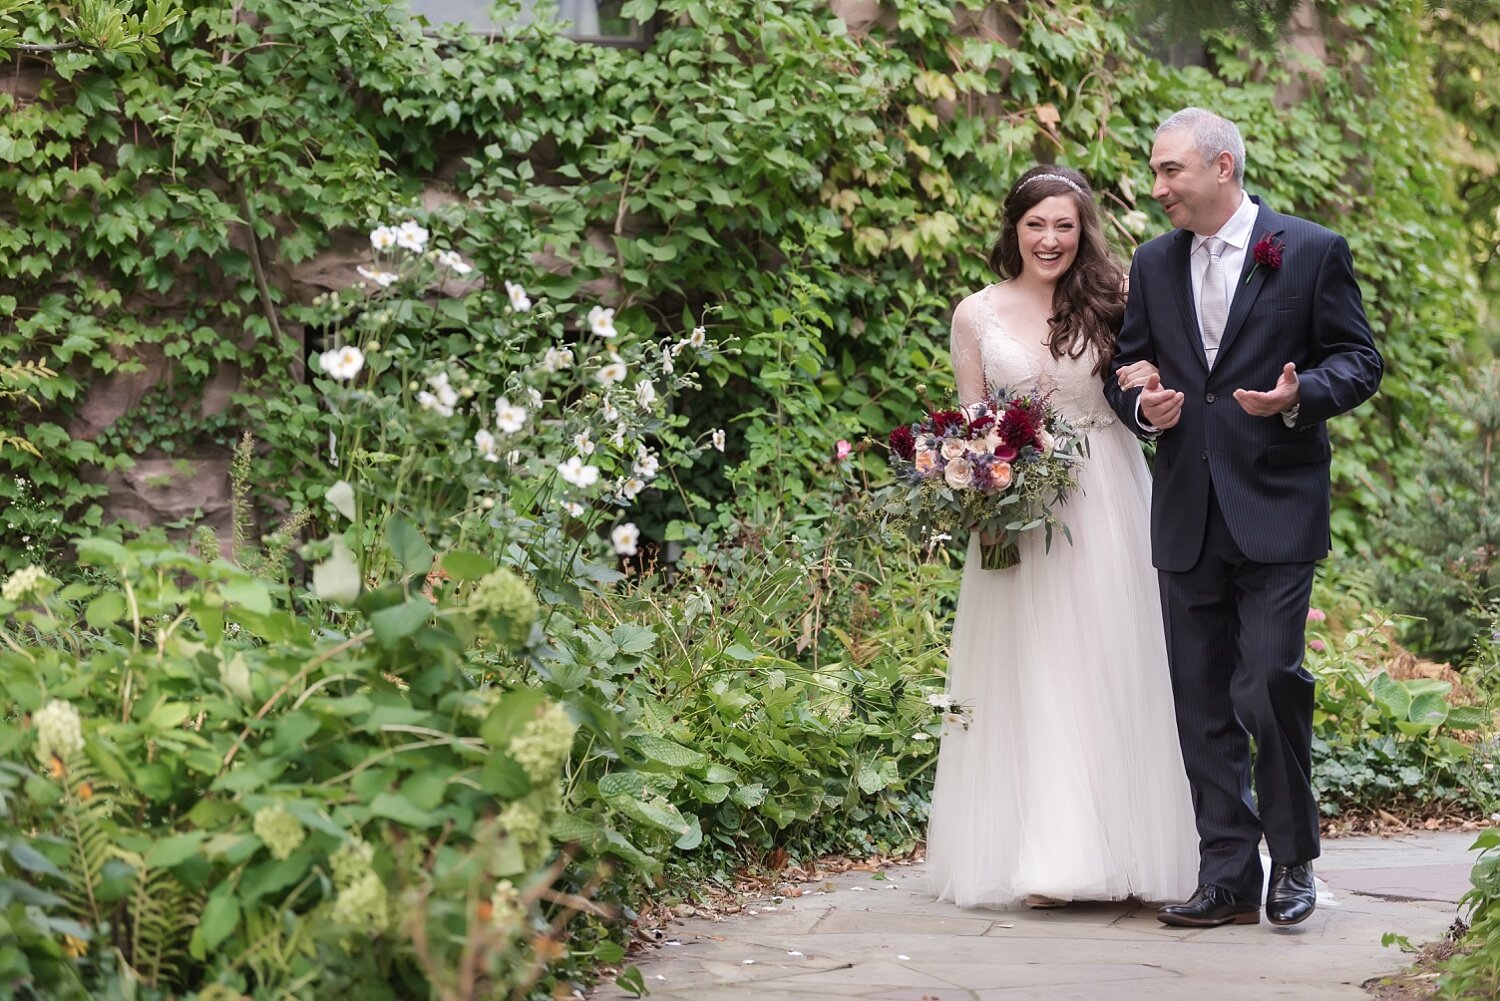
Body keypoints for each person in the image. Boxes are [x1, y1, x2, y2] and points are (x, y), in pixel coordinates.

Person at [1104, 108, 1383, 928]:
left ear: (1222, 167)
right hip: (1186, 509)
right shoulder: (1153, 263)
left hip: (1277, 505)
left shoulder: (1311, 250)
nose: (1157, 189)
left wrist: (1303, 396)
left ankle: (1292, 859)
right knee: (1200, 700)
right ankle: (1225, 873)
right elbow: (1131, 364)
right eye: (1155, 173)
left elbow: (1360, 360)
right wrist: (1144, 405)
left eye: (1169, 172)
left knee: (1268, 681)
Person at [926, 164, 1198, 909]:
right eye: (1036, 224)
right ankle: (1051, 854)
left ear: (1083, 232)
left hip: (1109, 491)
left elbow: (1147, 384)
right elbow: (971, 421)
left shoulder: (1115, 297)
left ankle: (1137, 848)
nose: (1050, 239)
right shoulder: (975, 314)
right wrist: (980, 486)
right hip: (1024, 510)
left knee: (1119, 658)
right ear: (1014, 227)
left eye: (1065, 225)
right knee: (1037, 668)